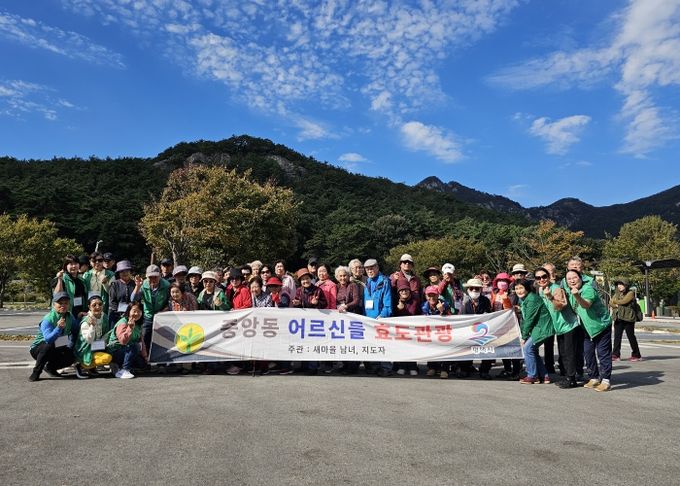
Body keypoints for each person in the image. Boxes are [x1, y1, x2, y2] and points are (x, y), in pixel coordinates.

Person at [565, 269, 613, 392]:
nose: (572, 280)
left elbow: (586, 305)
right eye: (569, 279)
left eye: (574, 277)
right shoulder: (570, 292)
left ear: (580, 278)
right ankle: (594, 377)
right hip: (587, 329)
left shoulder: (588, 289)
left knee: (603, 353)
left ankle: (606, 380)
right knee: (588, 353)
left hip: (601, 326)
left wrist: (576, 295)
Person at [538, 267, 581, 389]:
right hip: (559, 326)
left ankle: (572, 379)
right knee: (563, 353)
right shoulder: (541, 290)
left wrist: (550, 296)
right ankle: (567, 377)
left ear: (548, 277)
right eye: (538, 278)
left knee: (569, 353)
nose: (541, 279)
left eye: (544, 276)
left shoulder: (556, 288)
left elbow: (560, 306)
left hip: (569, 324)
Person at [514, 279, 555, 384]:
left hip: (543, 328)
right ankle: (544, 376)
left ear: (527, 288)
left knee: (527, 348)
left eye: (521, 288)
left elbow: (529, 319)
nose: (519, 291)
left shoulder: (532, 299)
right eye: (516, 288)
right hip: (538, 328)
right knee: (532, 351)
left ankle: (532, 376)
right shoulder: (524, 299)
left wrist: (523, 337)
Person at [28, 292, 76, 381]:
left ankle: (50, 368)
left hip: (58, 345)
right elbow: (48, 339)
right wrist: (58, 328)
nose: (63, 305)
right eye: (60, 303)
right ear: (54, 305)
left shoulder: (70, 317)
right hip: (39, 348)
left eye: (66, 303)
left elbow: (76, 330)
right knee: (48, 346)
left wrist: (84, 318)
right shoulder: (48, 319)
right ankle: (36, 372)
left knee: (71, 356)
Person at [292, 267, 328, 375]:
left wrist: (317, 303)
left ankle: (313, 367)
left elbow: (325, 304)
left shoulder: (318, 290)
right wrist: (297, 304)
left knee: (313, 344)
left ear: (311, 279)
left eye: (307, 278)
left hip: (314, 323)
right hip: (303, 323)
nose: (305, 281)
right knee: (304, 343)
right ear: (300, 281)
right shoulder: (299, 291)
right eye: (303, 279)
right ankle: (304, 366)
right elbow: (296, 304)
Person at [458, 278, 494, 379]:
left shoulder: (485, 300)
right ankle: (465, 369)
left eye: (477, 288)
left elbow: (489, 314)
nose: (474, 290)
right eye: (472, 288)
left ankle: (484, 371)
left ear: (481, 290)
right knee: (465, 350)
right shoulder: (463, 301)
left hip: (483, 330)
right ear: (468, 289)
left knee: (487, 350)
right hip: (467, 330)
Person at [363, 259, 393, 377]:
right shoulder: (367, 282)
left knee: (383, 344)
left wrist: (383, 316)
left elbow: (388, 303)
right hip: (368, 320)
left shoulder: (384, 281)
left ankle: (386, 367)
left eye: (372, 268)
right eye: (367, 269)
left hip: (381, 319)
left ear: (377, 268)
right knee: (372, 344)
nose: (370, 271)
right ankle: (375, 366)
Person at [74, 294, 113, 379]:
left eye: (100, 304)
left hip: (98, 346)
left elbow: (106, 334)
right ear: (89, 307)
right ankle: (81, 365)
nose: (97, 307)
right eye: (94, 305)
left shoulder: (104, 317)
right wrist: (92, 326)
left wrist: (103, 343)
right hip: (86, 349)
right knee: (106, 358)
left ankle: (91, 367)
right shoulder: (86, 321)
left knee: (114, 351)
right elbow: (89, 340)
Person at [491, 272, 521, 380]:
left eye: (504, 281)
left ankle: (516, 371)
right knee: (503, 348)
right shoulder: (494, 294)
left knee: (513, 348)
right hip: (499, 325)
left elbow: (510, 308)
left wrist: (505, 299)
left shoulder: (512, 294)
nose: (502, 283)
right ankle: (507, 369)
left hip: (511, 325)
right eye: (500, 281)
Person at [107, 301, 146, 379]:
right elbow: (123, 341)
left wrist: (145, 356)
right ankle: (124, 370)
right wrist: (130, 328)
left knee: (142, 364)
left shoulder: (138, 324)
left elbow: (141, 341)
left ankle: (118, 366)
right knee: (135, 346)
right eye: (134, 311)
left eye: (139, 311)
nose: (136, 313)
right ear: (129, 311)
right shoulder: (123, 322)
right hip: (116, 351)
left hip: (127, 350)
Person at [421, 286, 452, 378]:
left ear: (438, 295)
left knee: (445, 349)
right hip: (430, 332)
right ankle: (432, 368)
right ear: (426, 296)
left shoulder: (445, 304)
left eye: (434, 295)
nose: (432, 298)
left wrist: (442, 311)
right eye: (429, 295)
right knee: (431, 348)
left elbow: (452, 318)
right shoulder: (423, 306)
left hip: (443, 332)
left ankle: (445, 369)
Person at [140, 264, 170, 356]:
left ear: (160, 275)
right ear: (146, 277)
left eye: (155, 277)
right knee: (145, 336)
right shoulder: (143, 285)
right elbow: (134, 299)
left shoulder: (166, 285)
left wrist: (164, 310)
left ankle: (161, 357)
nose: (153, 279)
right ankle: (145, 357)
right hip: (148, 315)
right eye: (150, 277)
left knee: (161, 338)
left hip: (161, 315)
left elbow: (169, 300)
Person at [610, 277, 642, 362]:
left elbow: (624, 301)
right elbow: (610, 303)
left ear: (626, 285)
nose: (619, 286)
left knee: (631, 336)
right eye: (618, 284)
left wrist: (615, 302)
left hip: (628, 318)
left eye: (621, 284)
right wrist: (615, 304)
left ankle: (636, 354)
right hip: (618, 317)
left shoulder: (630, 293)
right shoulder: (617, 294)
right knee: (617, 337)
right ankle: (615, 354)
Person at [393, 280, 422, 376]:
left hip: (412, 329)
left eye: (406, 290)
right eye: (401, 290)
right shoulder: (396, 301)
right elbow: (393, 315)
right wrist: (399, 309)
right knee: (401, 348)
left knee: (412, 348)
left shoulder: (415, 300)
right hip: (400, 330)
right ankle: (402, 366)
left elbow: (416, 313)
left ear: (409, 290)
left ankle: (413, 367)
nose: (404, 292)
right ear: (398, 292)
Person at [53, 254, 88, 322]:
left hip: (80, 314)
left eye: (76, 263)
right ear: (66, 266)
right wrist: (59, 279)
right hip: (66, 314)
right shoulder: (62, 278)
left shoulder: (82, 280)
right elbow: (57, 295)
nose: (74, 266)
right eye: (71, 264)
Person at [108, 260, 142, 326]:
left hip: (132, 315)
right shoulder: (114, 284)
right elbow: (112, 302)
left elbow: (138, 301)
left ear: (130, 272)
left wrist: (130, 312)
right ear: (119, 273)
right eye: (122, 271)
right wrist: (120, 313)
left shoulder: (135, 284)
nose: (124, 273)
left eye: (127, 271)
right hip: (116, 315)